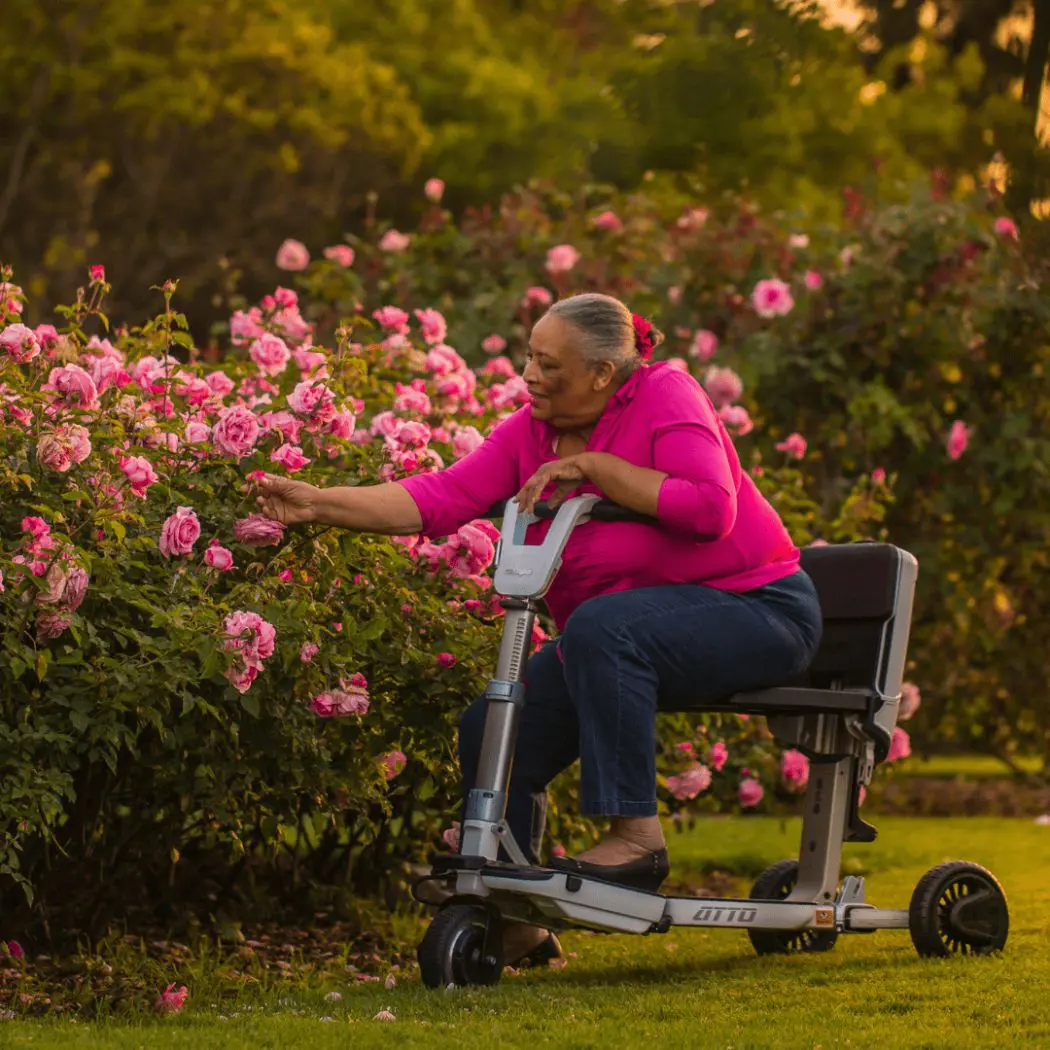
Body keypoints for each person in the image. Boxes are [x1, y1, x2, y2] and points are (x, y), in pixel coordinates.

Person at [251, 292, 822, 967]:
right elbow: (437, 498)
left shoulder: (666, 395)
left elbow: (709, 510)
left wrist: (597, 469)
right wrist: (317, 503)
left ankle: (637, 839)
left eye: (549, 365)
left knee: (605, 627)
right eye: (529, 359)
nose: (529, 377)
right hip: (614, 639)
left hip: (758, 612)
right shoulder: (530, 433)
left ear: (603, 374)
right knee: (494, 727)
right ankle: (518, 920)